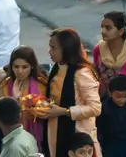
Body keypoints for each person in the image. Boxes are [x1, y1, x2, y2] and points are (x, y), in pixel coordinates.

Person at [35, 28, 101, 157]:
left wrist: (65, 111)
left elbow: (95, 108)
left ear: (66, 49)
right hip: (55, 131)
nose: (50, 52)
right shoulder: (57, 68)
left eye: (53, 48)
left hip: (78, 137)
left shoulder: (82, 73)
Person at [92, 12, 126, 152]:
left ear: (121, 31)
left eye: (108, 28)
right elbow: (97, 77)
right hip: (106, 108)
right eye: (102, 27)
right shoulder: (99, 49)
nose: (103, 31)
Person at [0, 48, 47, 146]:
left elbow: (48, 112)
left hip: (37, 136)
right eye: (16, 67)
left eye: (24, 67)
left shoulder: (42, 85)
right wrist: (14, 99)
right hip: (9, 137)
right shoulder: (5, 85)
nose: (20, 71)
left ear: (32, 66)